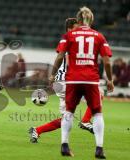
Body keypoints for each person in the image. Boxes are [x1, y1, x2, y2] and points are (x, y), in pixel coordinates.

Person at [49, 7, 114, 159]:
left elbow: (59, 57)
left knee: (69, 112)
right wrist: (110, 79)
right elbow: (107, 62)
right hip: (91, 79)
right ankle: (99, 149)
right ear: (91, 20)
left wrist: (52, 74)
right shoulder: (99, 36)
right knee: (97, 112)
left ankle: (64, 145)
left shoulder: (69, 35)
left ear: (78, 20)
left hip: (73, 78)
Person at [29, 18, 94, 144]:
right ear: (69, 28)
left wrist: (53, 76)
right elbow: (64, 59)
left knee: (66, 119)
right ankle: (85, 121)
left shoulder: (69, 40)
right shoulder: (70, 39)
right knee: (98, 94)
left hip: (61, 83)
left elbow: (61, 57)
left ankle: (37, 130)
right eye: (76, 27)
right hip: (66, 81)